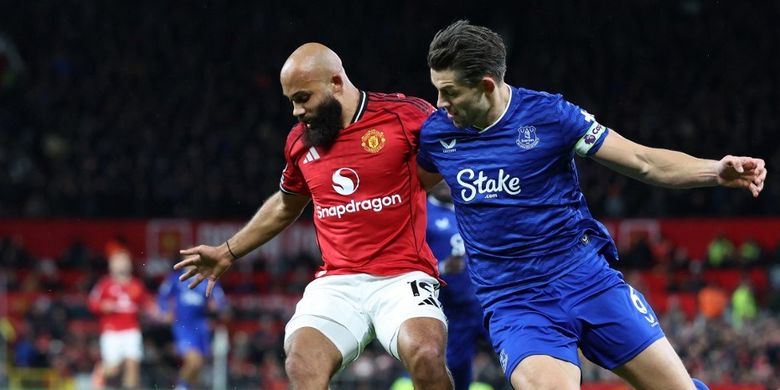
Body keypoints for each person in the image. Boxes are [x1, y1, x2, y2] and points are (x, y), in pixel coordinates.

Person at [416, 20, 767, 390]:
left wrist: (715, 171)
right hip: (516, 301)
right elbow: (410, 192)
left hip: (586, 279)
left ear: (486, 85)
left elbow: (643, 161)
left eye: (449, 92)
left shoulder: (551, 116)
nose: (440, 104)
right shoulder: (439, 136)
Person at [175, 42, 453, 389]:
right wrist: (227, 251)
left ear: (336, 82)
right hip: (338, 282)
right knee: (301, 361)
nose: (296, 110)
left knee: (426, 353)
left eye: (303, 97)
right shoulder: (300, 142)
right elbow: (286, 204)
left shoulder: (405, 115)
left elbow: (454, 163)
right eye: (291, 100)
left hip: (402, 276)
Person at [426, 180, 489, 390]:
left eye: (447, 175)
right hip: (452, 308)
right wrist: (443, 267)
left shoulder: (470, 207)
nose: (443, 180)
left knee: (517, 350)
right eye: (438, 175)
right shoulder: (422, 212)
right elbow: (409, 261)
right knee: (457, 368)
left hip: (486, 300)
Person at [88, 247, 152, 390]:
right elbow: (92, 303)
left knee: (133, 363)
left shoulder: (136, 285)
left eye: (125, 260)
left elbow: (146, 304)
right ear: (111, 265)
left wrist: (152, 311)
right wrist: (103, 306)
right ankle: (100, 372)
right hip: (111, 331)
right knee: (114, 369)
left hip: (132, 330)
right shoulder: (105, 284)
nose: (122, 264)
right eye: (118, 261)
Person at [157, 266, 227, 390]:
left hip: (201, 326)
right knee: (194, 360)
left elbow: (220, 300)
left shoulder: (208, 278)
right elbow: (163, 295)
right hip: (182, 325)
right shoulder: (177, 278)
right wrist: (165, 311)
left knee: (198, 366)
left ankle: (185, 386)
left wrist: (216, 307)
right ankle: (180, 387)